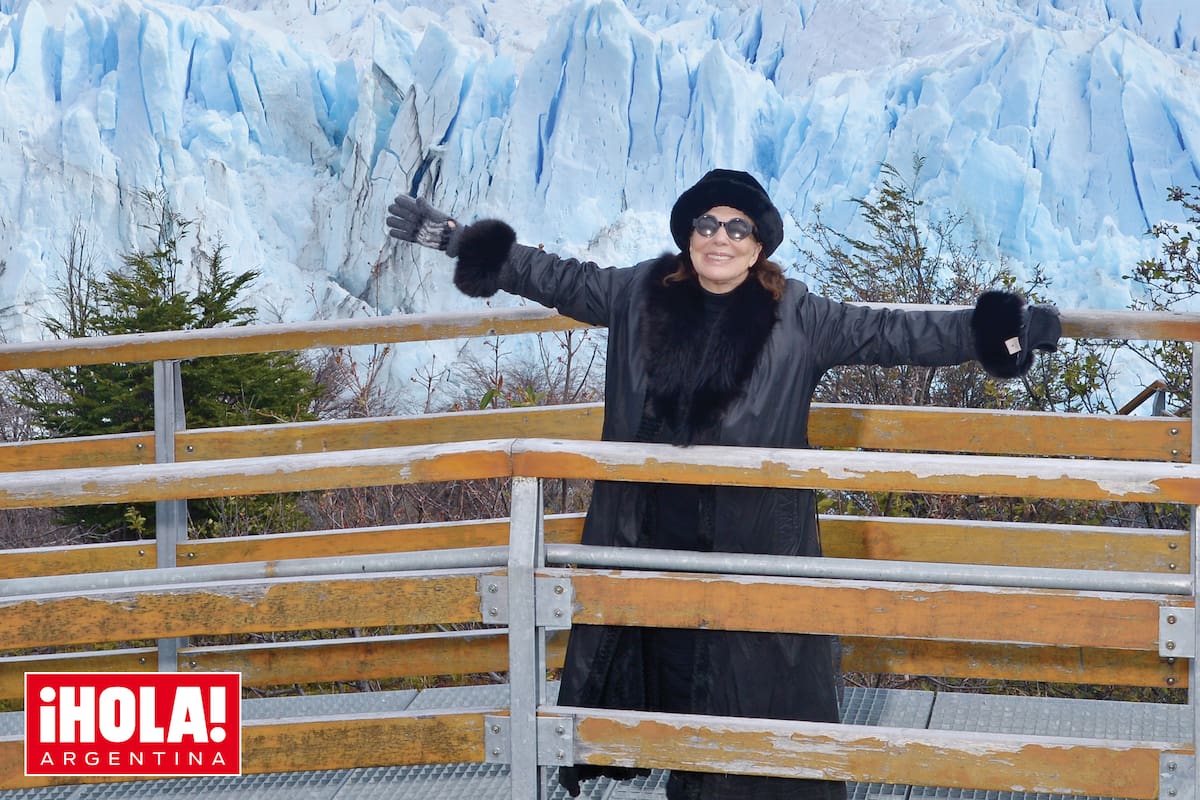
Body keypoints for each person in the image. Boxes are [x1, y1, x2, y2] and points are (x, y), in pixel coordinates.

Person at [386, 169, 1060, 800]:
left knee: (752, 688)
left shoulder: (799, 316)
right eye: (707, 223)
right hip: (648, 531)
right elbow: (554, 276)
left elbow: (893, 332)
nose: (719, 238)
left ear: (759, 245)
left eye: (738, 228)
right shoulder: (638, 291)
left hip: (753, 538)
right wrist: (454, 239)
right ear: (688, 234)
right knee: (675, 675)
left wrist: (998, 331)